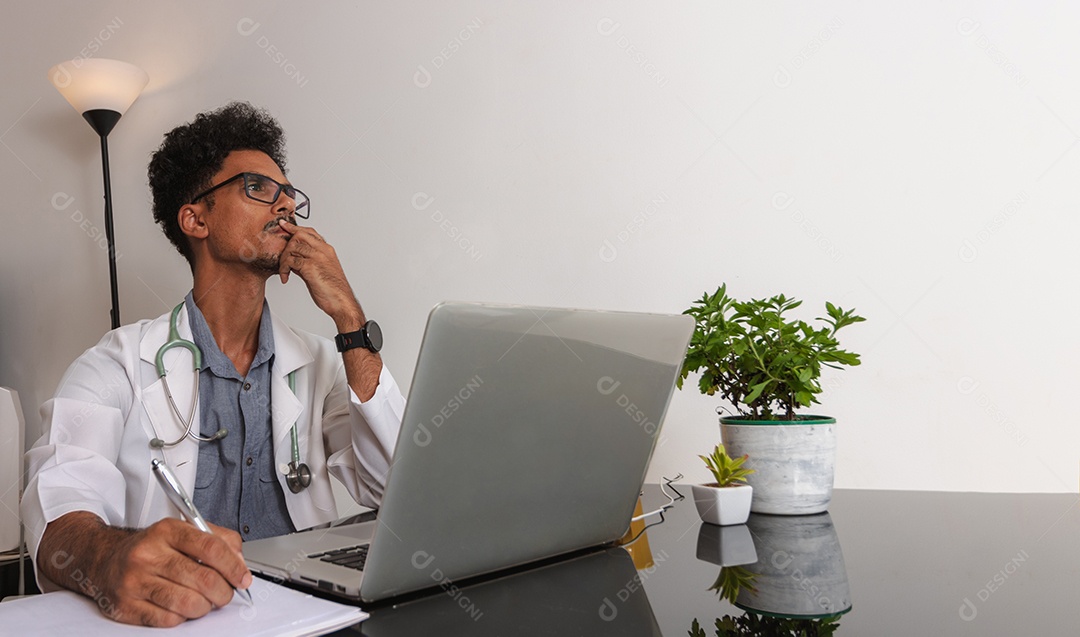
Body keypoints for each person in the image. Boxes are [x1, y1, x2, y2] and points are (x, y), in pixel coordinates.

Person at [21, 102, 404, 627]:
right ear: (196, 219)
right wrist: (109, 557)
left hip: (308, 619)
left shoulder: (321, 362)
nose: (285, 204)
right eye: (258, 187)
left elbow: (396, 493)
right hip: (184, 620)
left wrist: (349, 318)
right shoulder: (115, 364)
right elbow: (58, 506)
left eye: (289, 193)